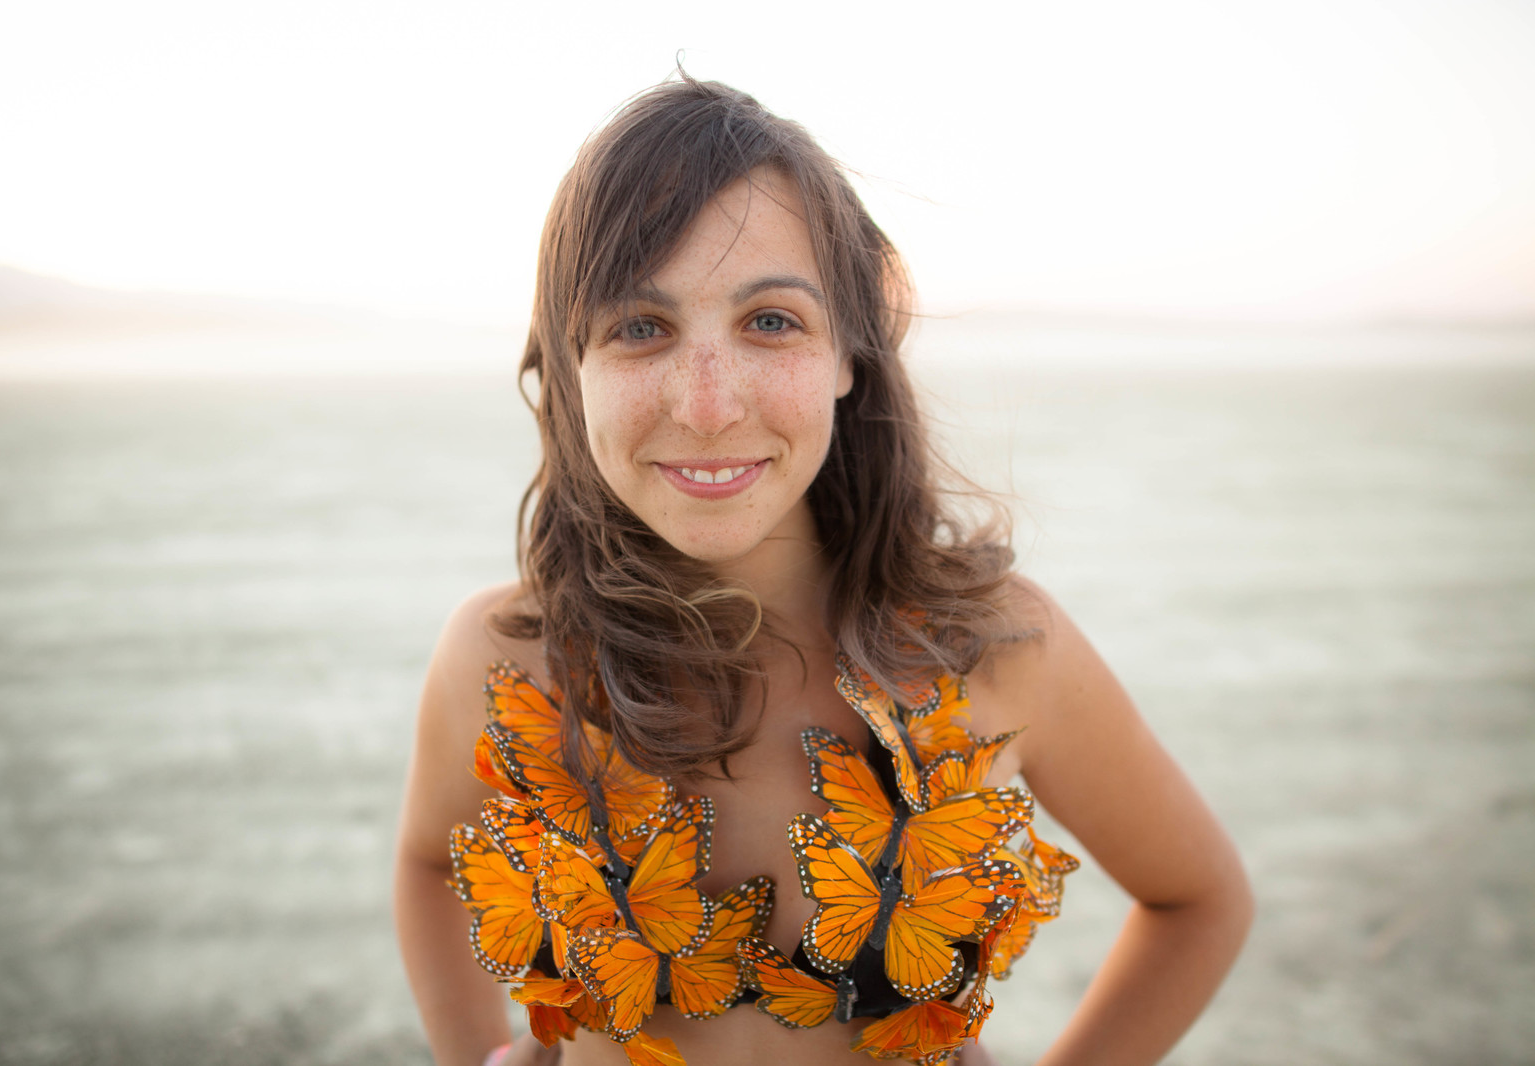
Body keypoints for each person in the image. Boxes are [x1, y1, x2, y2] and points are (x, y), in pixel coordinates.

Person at [393, 74, 1252, 1066]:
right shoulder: (508, 663)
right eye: (639, 326)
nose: (707, 405)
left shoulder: (995, 647)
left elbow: (1198, 899)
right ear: (568, 359)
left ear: (850, 349)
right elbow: (429, 865)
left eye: (770, 321)